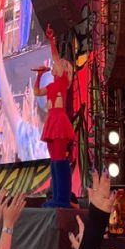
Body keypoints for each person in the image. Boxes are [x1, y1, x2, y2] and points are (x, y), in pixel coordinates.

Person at [33, 25, 75, 209]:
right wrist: (39, 75)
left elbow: (56, 59)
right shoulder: (50, 87)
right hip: (52, 121)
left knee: (59, 160)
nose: (58, 66)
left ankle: (62, 198)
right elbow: (36, 92)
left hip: (59, 121)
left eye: (63, 65)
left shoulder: (63, 82)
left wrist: (51, 40)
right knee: (54, 160)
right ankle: (57, 196)